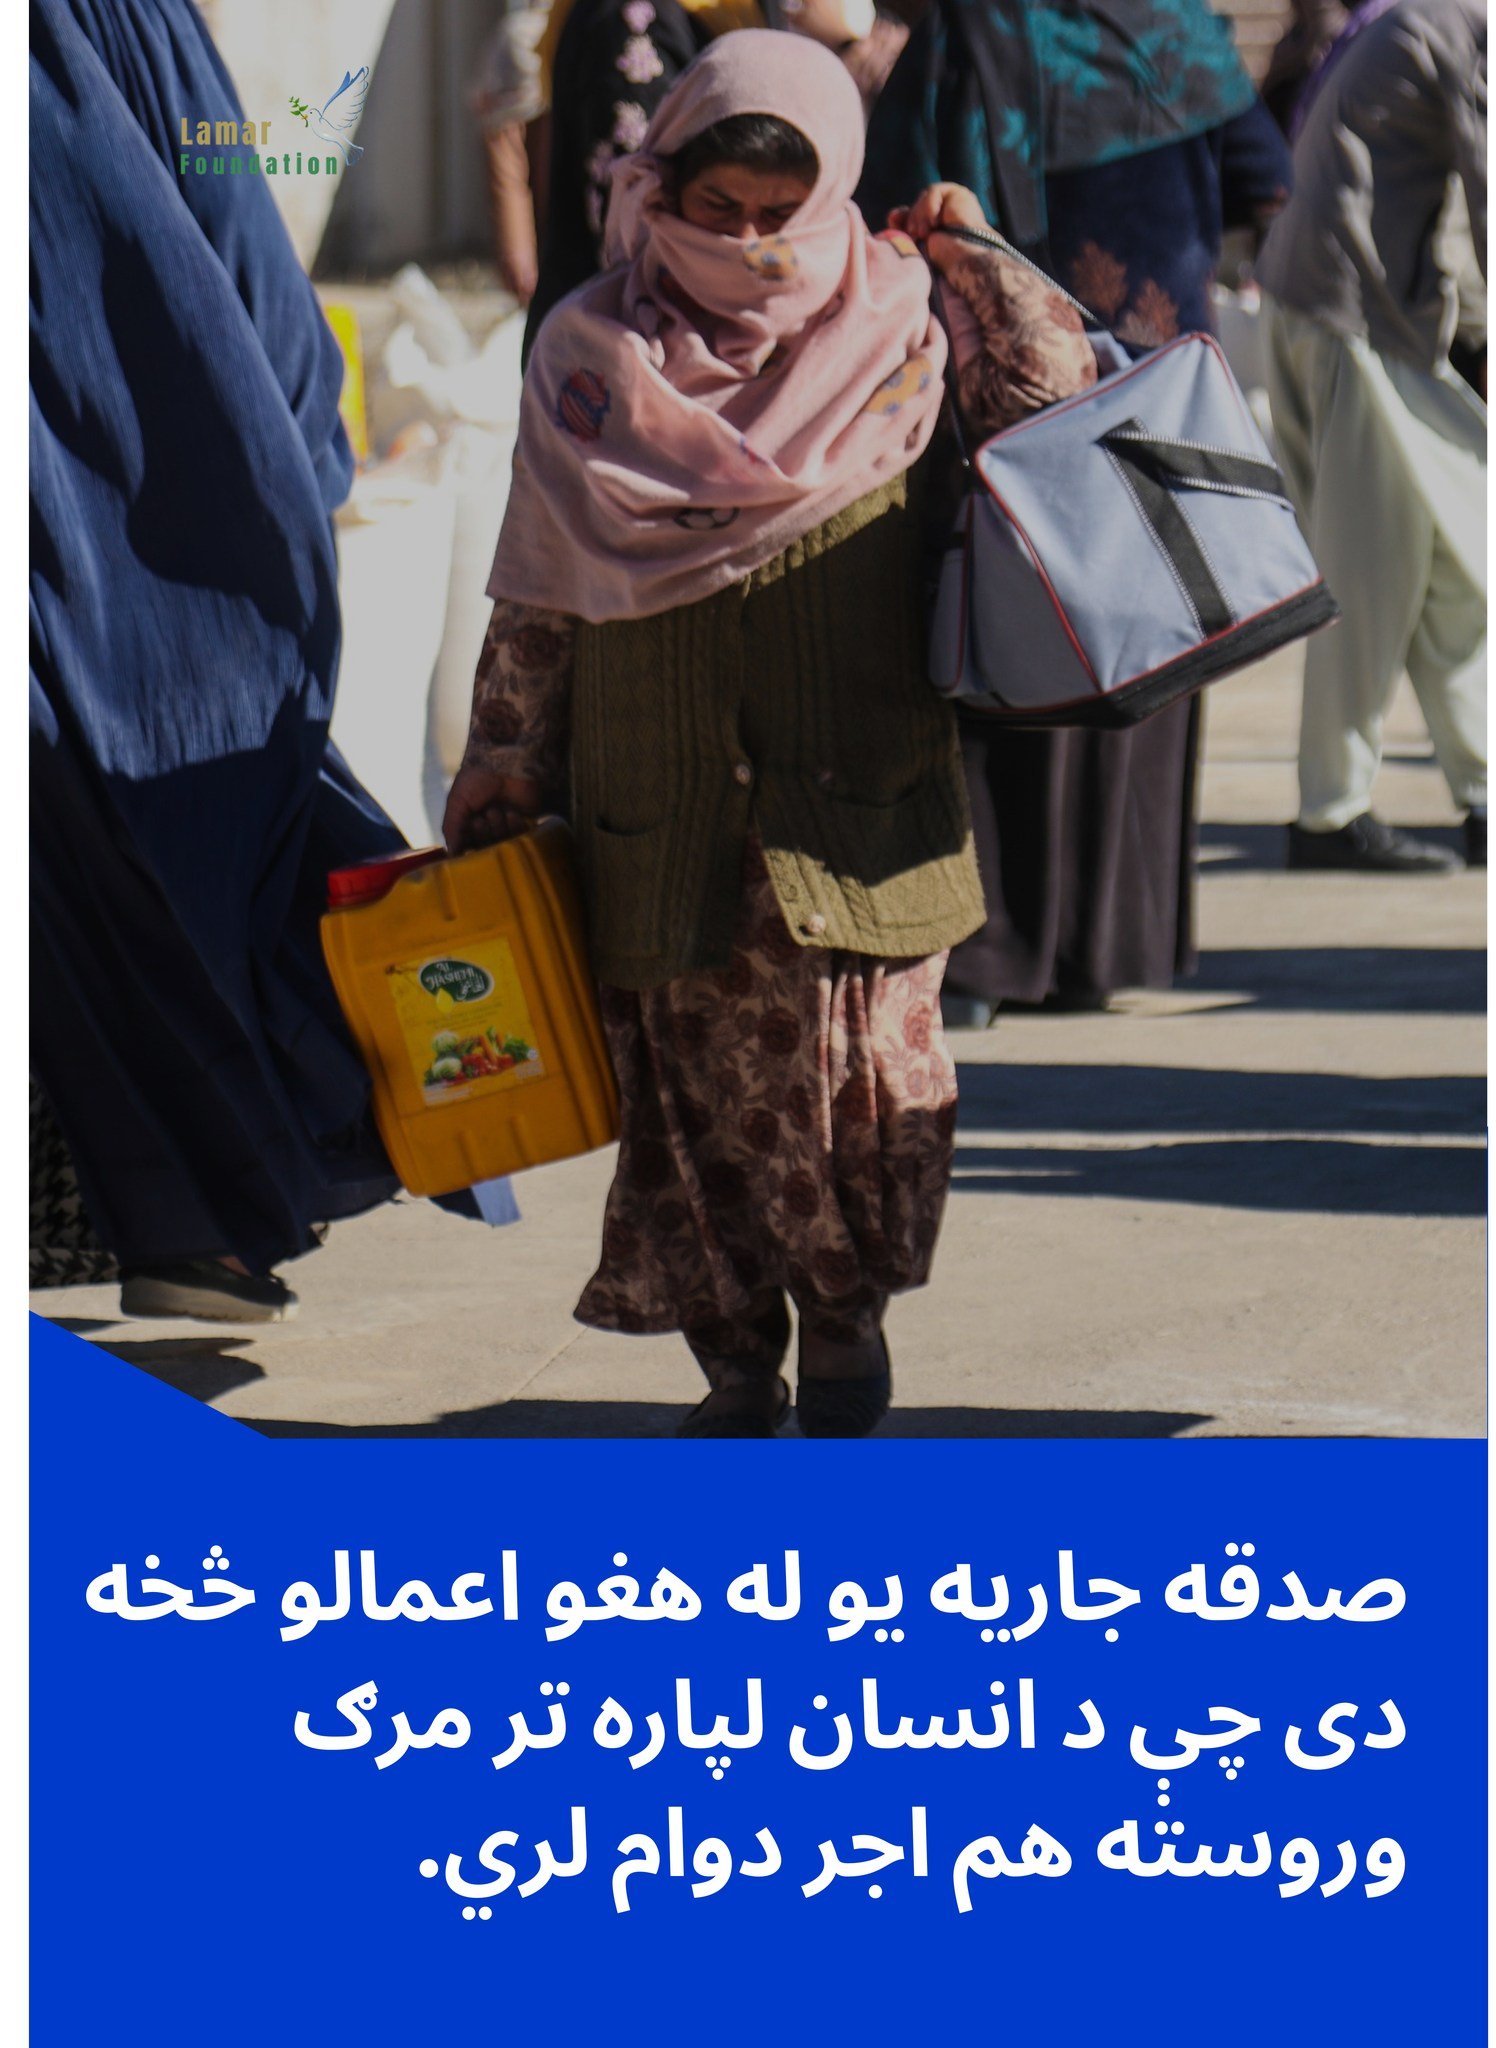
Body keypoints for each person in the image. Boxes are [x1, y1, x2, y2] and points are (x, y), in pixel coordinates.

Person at [445, 31, 1097, 1434]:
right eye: (715, 212)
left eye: (779, 218)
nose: (750, 249)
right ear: (653, 188)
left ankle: (847, 1319)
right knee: (696, 1107)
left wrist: (978, 251)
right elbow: (538, 586)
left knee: (864, 1086)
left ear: (837, 196)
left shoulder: (913, 322)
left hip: (857, 790)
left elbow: (1057, 399)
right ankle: (736, 1362)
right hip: (658, 797)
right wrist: (502, 757)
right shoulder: (589, 354)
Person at [30, 0, 425, 1320]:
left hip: (126, 535)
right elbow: (238, 220)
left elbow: (228, 204)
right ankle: (196, 1216)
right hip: (147, 538)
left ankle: (193, 1217)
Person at [860, 0, 1293, 1024]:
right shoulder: (1176, 26)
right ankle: (1102, 949)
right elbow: (1261, 173)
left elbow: (897, 205)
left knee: (1004, 632)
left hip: (1005, 393)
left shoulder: (968, 31)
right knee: (1146, 632)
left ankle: (993, 955)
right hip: (1152, 392)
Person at [1257, 0, 1488, 874]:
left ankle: (1482, 790)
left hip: (1341, 311)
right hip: (1356, 323)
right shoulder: (1464, 25)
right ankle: (1329, 811)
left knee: (1458, 572)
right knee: (1372, 577)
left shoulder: (1424, 18)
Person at [523, 0, 887, 354]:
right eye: (722, 205)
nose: (748, 238)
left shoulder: (736, 8)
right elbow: (634, 227)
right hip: (637, 358)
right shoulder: (630, 19)